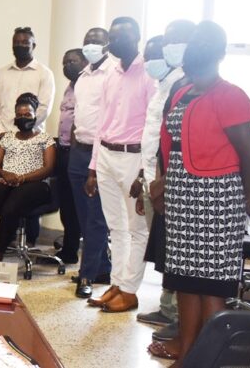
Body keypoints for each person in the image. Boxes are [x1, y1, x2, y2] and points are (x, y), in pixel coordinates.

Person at [147, 21, 250, 364]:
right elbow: (171, 147)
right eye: (196, 39)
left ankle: (210, 357)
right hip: (182, 196)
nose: (199, 46)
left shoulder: (231, 95)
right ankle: (190, 347)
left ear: (221, 53)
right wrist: (164, 183)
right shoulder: (182, 92)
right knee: (184, 278)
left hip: (218, 198)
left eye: (206, 42)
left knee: (211, 283)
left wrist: (243, 198)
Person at [85, 17, 157, 313]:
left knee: (137, 227)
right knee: (115, 227)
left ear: (137, 37)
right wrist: (93, 166)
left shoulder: (148, 73)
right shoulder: (111, 73)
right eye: (110, 38)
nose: (112, 43)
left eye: (119, 37)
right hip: (106, 156)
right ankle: (116, 284)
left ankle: (129, 290)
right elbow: (102, 121)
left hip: (134, 158)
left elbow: (154, 126)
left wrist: (144, 171)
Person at [133, 20, 196, 343]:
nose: (169, 48)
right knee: (164, 248)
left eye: (175, 41)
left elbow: (177, 140)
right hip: (154, 174)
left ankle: (177, 315)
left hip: (173, 180)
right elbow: (153, 136)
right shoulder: (163, 83)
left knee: (175, 250)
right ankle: (167, 307)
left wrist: (162, 181)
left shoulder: (184, 83)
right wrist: (144, 175)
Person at [0, 93, 55, 261]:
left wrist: (22, 178)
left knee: (9, 208)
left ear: (35, 116)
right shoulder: (7, 138)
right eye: (19, 115)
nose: (23, 118)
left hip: (35, 183)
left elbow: (48, 168)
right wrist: (6, 174)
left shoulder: (45, 138)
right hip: (7, 179)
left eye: (27, 114)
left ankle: (0, 250)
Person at [70, 27, 114, 298]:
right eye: (87, 41)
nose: (91, 46)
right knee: (84, 216)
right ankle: (101, 268)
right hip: (78, 150)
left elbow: (107, 120)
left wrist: (94, 165)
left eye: (97, 41)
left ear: (107, 45)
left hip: (99, 153)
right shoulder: (83, 76)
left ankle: (86, 274)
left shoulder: (111, 75)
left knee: (97, 218)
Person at [0, 27, 55, 139]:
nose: (20, 46)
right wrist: (0, 131)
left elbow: (44, 108)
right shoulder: (2, 73)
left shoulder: (45, 73)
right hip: (2, 138)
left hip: (31, 138)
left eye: (25, 42)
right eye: (16, 42)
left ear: (33, 46)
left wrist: (25, 130)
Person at [55, 48, 87, 264]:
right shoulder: (70, 86)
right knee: (66, 203)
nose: (67, 66)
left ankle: (76, 250)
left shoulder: (87, 85)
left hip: (79, 151)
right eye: (65, 62)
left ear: (84, 62)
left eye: (72, 61)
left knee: (78, 205)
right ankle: (69, 248)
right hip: (63, 149)